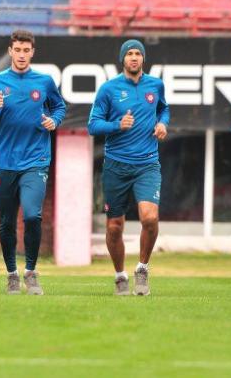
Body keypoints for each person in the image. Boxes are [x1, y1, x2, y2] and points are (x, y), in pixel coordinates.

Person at [0, 29, 66, 295]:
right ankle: (12, 274)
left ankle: (31, 272)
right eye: (18, 50)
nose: (22, 55)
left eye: (27, 50)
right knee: (7, 222)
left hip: (36, 160)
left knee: (33, 215)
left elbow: (59, 107)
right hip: (5, 162)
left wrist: (54, 121)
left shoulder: (45, 82)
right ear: (10, 51)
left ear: (32, 52)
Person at [87, 39, 169, 296]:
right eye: (129, 54)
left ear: (143, 59)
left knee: (150, 218)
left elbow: (163, 109)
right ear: (122, 59)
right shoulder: (108, 89)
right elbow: (93, 125)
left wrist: (162, 123)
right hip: (116, 166)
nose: (134, 58)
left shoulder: (155, 85)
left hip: (147, 164)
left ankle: (142, 268)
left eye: (138, 54)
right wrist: (116, 125)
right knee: (114, 227)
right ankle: (120, 275)